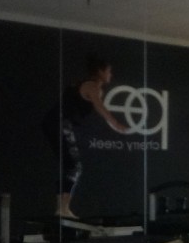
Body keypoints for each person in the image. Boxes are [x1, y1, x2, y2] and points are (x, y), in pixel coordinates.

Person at [41, 54, 129, 218]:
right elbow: (101, 108)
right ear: (100, 72)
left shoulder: (87, 86)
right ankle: (63, 208)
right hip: (59, 123)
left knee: (69, 165)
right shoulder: (92, 86)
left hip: (55, 123)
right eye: (109, 71)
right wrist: (117, 124)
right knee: (74, 166)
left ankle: (62, 208)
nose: (111, 75)